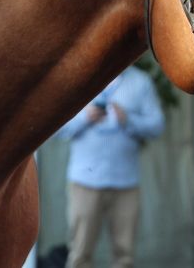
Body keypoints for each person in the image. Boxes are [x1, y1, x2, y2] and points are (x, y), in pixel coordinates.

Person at [56, 65, 166, 268]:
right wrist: (85, 117)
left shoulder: (140, 82)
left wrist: (128, 119)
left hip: (126, 182)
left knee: (124, 256)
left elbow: (157, 126)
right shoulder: (81, 78)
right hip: (85, 182)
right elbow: (57, 128)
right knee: (80, 254)